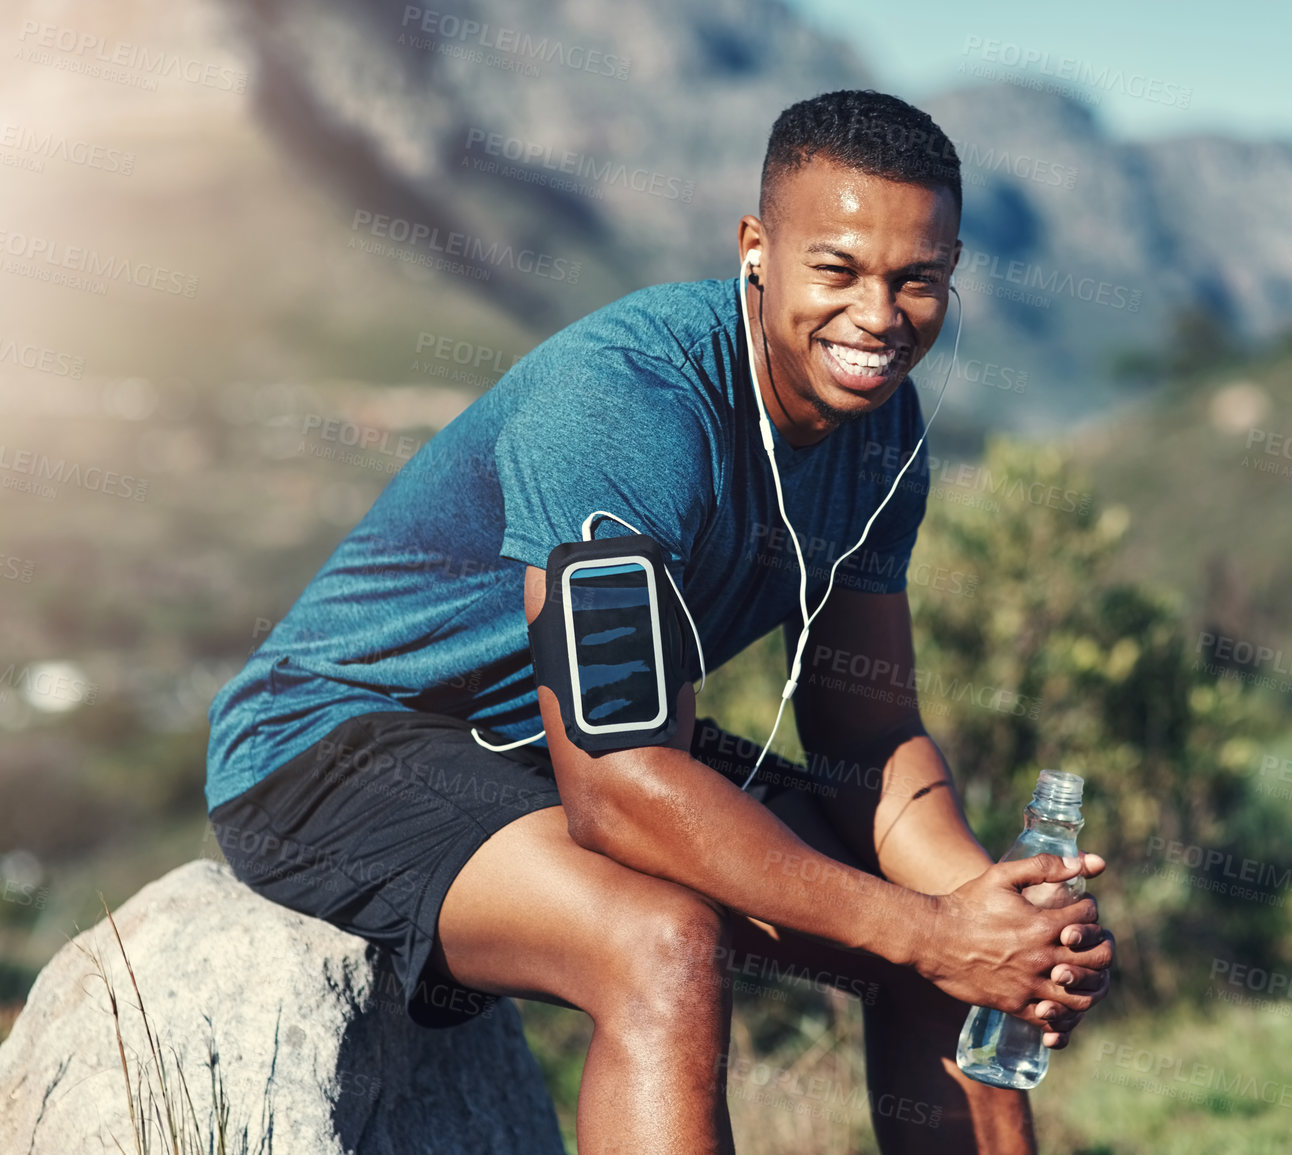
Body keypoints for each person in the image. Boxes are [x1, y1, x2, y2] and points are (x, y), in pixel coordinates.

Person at [204, 88, 1114, 1154]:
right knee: (659, 942)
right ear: (757, 249)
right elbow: (620, 784)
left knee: (952, 962)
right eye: (838, 270)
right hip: (335, 744)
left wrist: (992, 917)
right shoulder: (632, 398)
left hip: (557, 749)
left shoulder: (881, 426)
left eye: (918, 280)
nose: (878, 316)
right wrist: (933, 929)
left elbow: (866, 731)